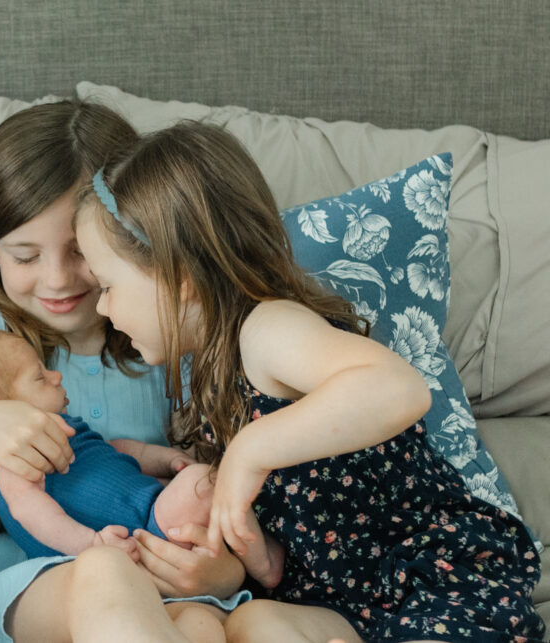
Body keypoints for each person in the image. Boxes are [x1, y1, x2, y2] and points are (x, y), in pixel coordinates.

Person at [74, 119, 547, 643]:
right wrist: (240, 559)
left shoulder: (268, 329)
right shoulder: (210, 378)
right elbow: (277, 559)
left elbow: (400, 389)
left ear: (180, 279)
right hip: (342, 601)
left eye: (108, 285)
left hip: (426, 580)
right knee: (255, 622)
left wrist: (249, 450)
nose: (102, 307)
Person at [0, 101, 251, 643]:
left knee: (201, 625)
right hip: (31, 579)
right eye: (25, 255)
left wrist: (227, 571)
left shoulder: (175, 336)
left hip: (163, 569)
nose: (57, 280)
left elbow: (217, 487)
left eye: (80, 251)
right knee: (104, 578)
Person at [0, 328, 286, 586]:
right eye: (39, 378)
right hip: (123, 539)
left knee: (198, 486)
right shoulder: (14, 459)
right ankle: (264, 564)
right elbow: (32, 513)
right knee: (206, 483)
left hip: (145, 522)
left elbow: (115, 450)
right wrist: (89, 546)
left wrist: (163, 458)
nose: (56, 377)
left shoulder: (64, 428)